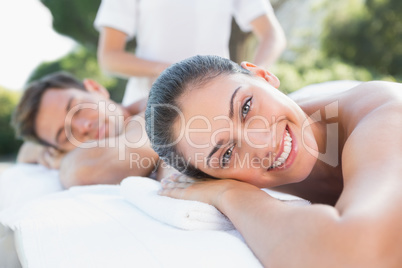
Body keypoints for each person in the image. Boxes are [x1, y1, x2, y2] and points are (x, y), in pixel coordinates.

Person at [144, 55, 402, 267]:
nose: (264, 142)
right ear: (210, 177)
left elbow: (358, 256)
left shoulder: (385, 111)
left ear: (264, 75)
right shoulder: (202, 174)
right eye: (226, 154)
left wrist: (231, 195)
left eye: (246, 108)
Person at [94, 0, 286, 105]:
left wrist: (252, 76)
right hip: (149, 104)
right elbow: (109, 58)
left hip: (216, 101)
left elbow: (272, 35)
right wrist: (175, 72)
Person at [12, 72, 166, 188]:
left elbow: (82, 170)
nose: (82, 127)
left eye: (78, 109)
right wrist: (40, 153)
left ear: (96, 89)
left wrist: (63, 159)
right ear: (59, 150)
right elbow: (25, 152)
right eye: (65, 136)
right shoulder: (52, 152)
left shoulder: (158, 104)